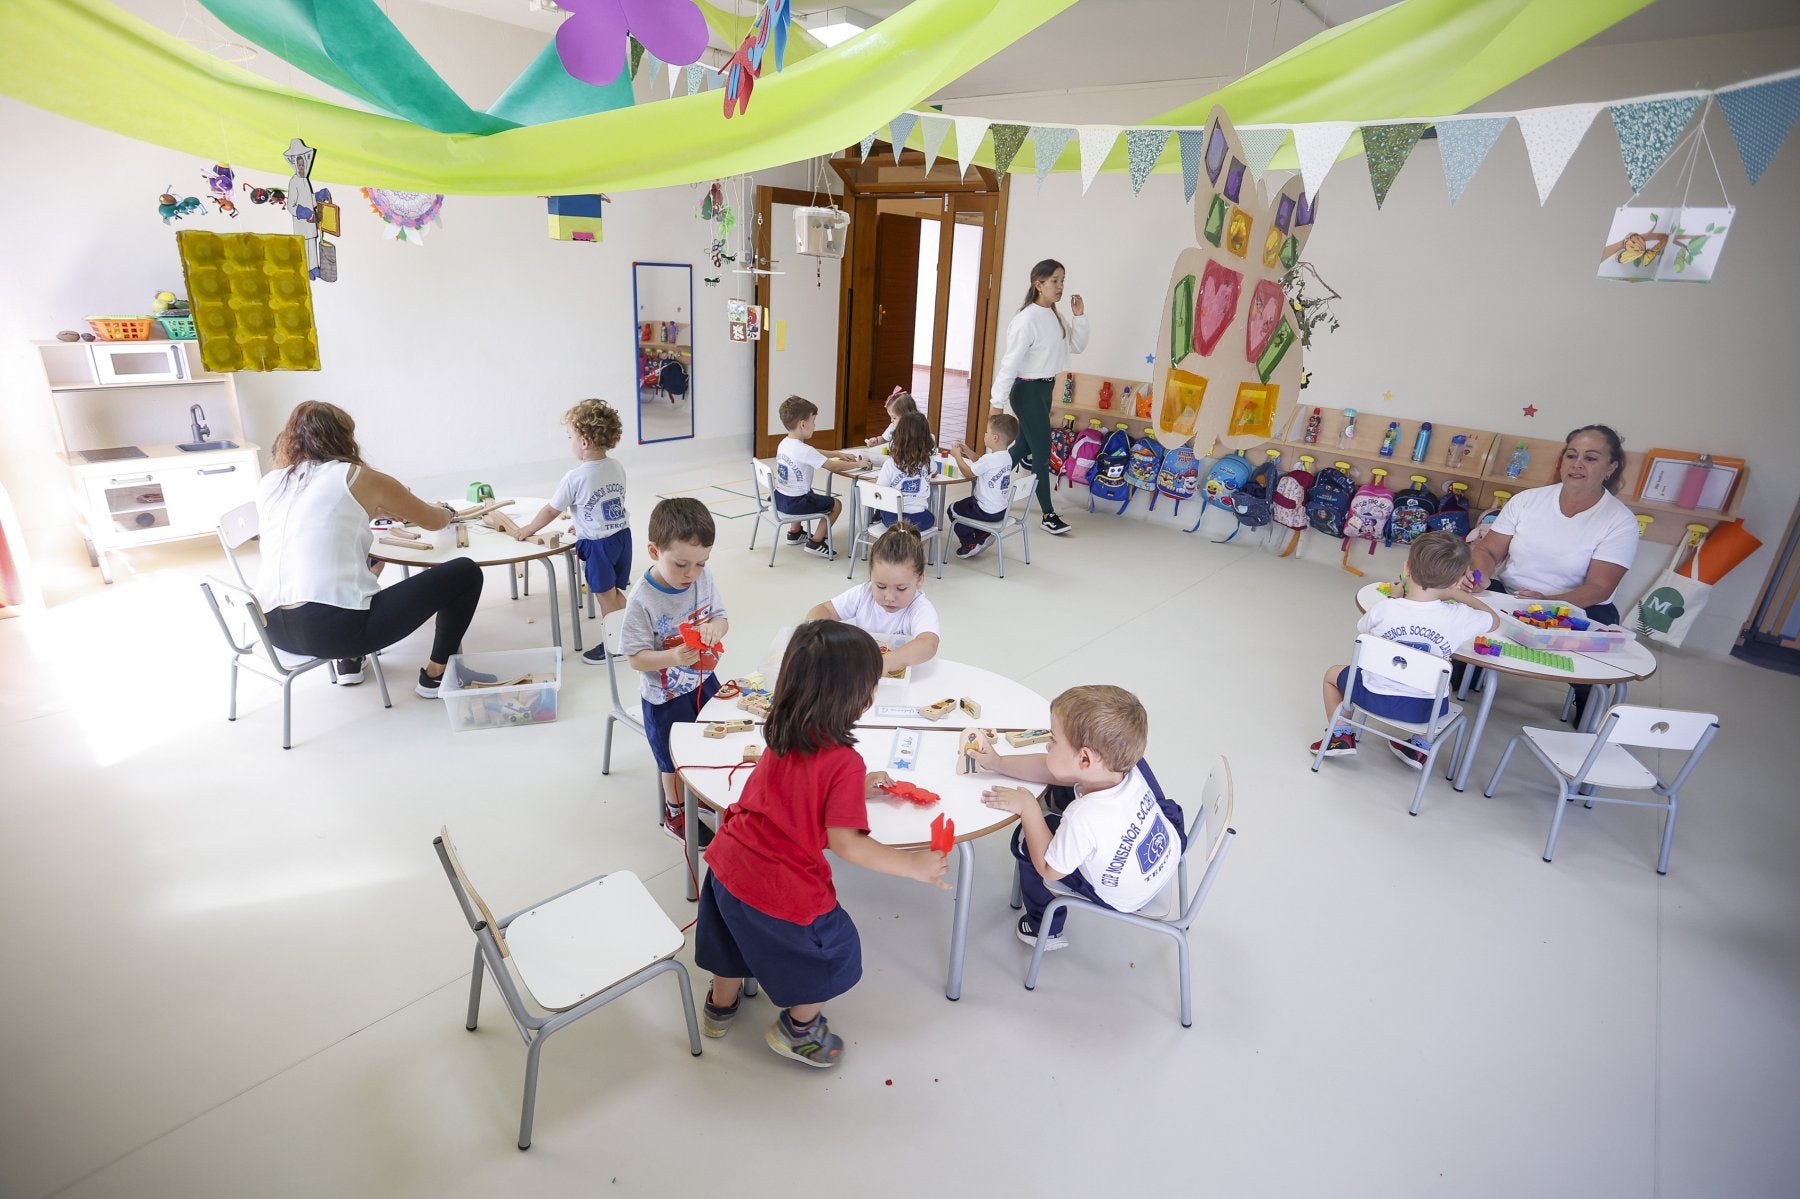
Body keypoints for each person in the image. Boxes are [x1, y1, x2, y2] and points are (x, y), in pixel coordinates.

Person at [695, 620, 951, 1067]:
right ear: (859, 696)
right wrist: (915, 866)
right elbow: (848, 845)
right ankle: (798, 1030)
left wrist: (851, 792)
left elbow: (794, 790)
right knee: (834, 954)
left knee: (730, 940)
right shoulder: (844, 761)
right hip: (782, 886)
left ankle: (720, 1008)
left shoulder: (781, 730)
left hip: (726, 863)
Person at [254, 401, 483, 700]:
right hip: (332, 633)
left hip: (272, 631)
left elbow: (318, 524)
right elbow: (433, 521)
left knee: (353, 563)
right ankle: (436, 676)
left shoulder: (272, 482)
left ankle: (349, 662)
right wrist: (448, 511)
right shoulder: (357, 476)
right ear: (343, 437)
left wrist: (373, 510)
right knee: (465, 572)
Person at [974, 684, 1185, 950]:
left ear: (1085, 759)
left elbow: (1049, 869)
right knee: (1066, 780)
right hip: (1170, 847)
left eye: (1054, 739)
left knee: (1027, 839)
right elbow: (1054, 769)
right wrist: (998, 763)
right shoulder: (1125, 767)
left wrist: (1029, 808)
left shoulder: (1083, 818)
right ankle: (1060, 804)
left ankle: (1044, 929)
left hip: (1124, 896)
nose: (1048, 744)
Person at [1463, 424, 1639, 722]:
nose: (1577, 464)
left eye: (1590, 458)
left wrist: (1548, 602)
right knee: (1460, 617)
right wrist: (1479, 576)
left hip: (1580, 607)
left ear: (1611, 468)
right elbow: (1489, 550)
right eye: (1571, 455)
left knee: (1595, 672)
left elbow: (1600, 587)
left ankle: (1586, 709)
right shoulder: (1527, 500)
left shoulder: (1620, 520)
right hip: (1511, 595)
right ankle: (1463, 677)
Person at [1316, 532, 1499, 766]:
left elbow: (1363, 628)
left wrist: (1393, 600)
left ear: (1407, 568)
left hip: (1370, 697)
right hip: (1425, 711)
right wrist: (1457, 594)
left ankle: (1340, 735)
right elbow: (1493, 621)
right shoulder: (1459, 617)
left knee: (1332, 675)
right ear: (1457, 581)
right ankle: (1420, 747)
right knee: (1446, 685)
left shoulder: (1384, 609)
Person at [620, 497, 729, 842]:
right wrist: (672, 658)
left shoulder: (702, 577)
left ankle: (702, 794)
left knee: (710, 740)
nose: (691, 574)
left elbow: (721, 618)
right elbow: (636, 658)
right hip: (665, 697)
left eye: (700, 563)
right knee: (671, 759)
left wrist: (715, 629)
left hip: (705, 681)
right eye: (681, 564)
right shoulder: (642, 600)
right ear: (654, 551)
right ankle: (676, 812)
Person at [514, 398, 629, 666]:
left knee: (604, 595)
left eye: (570, 437)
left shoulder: (575, 477)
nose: (570, 442)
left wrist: (528, 529)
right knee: (615, 591)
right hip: (622, 537)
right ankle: (629, 634)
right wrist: (586, 521)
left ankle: (616, 646)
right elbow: (609, 501)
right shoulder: (616, 466)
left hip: (598, 545)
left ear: (584, 442)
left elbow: (551, 510)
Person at [990, 258, 1089, 537]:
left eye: (1062, 280)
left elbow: (1076, 346)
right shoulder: (1026, 320)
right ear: (1038, 284)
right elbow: (1009, 364)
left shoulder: (1055, 316)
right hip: (1027, 392)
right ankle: (1048, 514)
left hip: (1045, 390)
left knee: (1023, 447)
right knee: (1042, 453)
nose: (1060, 286)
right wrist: (996, 404)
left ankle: (986, 483)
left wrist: (1080, 317)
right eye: (1054, 281)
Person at [804, 521, 940, 672]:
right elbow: (826, 610)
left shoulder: (920, 608)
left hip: (898, 677)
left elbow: (928, 644)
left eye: (901, 588)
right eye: (881, 586)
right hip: (862, 672)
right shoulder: (864, 593)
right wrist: (813, 630)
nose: (889, 597)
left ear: (920, 579)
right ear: (871, 575)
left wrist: (886, 662)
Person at [774, 395, 862, 559]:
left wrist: (837, 454)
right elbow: (833, 467)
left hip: (780, 498)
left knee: (806, 490)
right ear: (803, 424)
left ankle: (795, 532)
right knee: (836, 504)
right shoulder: (804, 450)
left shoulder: (785, 443)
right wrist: (859, 464)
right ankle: (816, 541)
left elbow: (812, 452)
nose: (815, 426)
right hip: (796, 503)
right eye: (813, 421)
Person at [946, 412, 1019, 558]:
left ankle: (969, 544)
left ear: (995, 438)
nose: (985, 435)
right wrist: (966, 450)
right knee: (965, 506)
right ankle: (983, 534)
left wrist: (957, 456)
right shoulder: (1006, 457)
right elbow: (981, 461)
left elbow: (969, 473)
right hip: (1001, 510)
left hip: (984, 510)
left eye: (987, 432)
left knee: (953, 509)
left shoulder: (990, 460)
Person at [872, 411, 936, 532]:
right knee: (932, 519)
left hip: (893, 519)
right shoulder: (929, 463)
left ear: (898, 436)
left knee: (882, 511)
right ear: (926, 438)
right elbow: (933, 470)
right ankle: (913, 542)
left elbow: (880, 491)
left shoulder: (890, 464)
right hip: (919, 518)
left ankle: (899, 539)